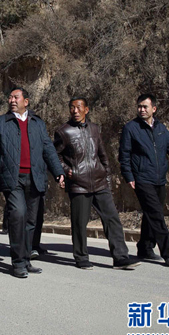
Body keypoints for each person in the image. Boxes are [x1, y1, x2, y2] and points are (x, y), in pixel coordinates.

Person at [0, 87, 65, 278]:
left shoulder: (38, 123)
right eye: (10, 97)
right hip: (12, 177)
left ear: (26, 101)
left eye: (16, 97)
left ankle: (26, 258)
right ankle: (18, 262)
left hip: (35, 177)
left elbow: (48, 149)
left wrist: (58, 172)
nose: (12, 100)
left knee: (31, 220)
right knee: (18, 215)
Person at [54, 98, 140, 270]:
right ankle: (81, 257)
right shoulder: (63, 131)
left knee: (112, 220)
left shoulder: (95, 128)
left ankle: (121, 257)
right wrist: (66, 170)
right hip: (78, 184)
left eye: (78, 108)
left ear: (86, 109)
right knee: (79, 223)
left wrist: (106, 174)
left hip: (100, 182)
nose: (75, 111)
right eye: (72, 108)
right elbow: (54, 155)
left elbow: (102, 154)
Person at [119, 94, 169, 266]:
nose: (141, 110)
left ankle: (145, 248)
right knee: (156, 215)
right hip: (142, 178)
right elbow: (124, 155)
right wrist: (129, 176)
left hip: (159, 178)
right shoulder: (131, 128)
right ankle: (168, 253)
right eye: (139, 106)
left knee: (151, 214)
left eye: (145, 107)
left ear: (154, 109)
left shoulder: (160, 128)